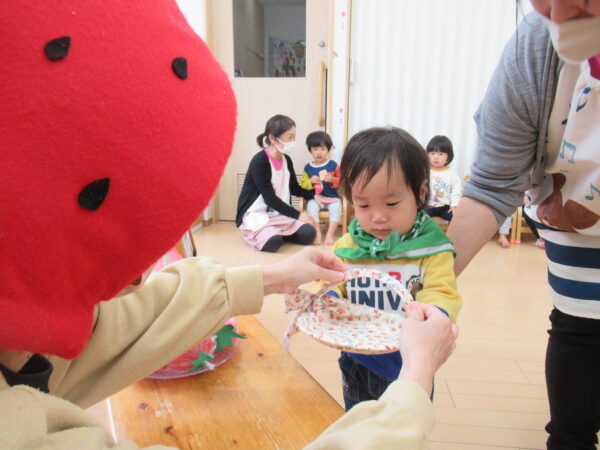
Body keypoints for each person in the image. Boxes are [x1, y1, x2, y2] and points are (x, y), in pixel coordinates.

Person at [1, 2, 459, 448]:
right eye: (132, 254)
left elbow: (112, 329)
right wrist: (414, 386)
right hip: (364, 357)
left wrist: (274, 276)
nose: (140, 279)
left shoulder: (23, 343)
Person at [448, 2, 600, 448]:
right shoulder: (536, 44)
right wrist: (416, 284)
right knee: (581, 324)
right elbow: (492, 185)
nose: (559, 9)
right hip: (573, 216)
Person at [324, 127, 462, 411]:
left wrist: (432, 313)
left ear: (420, 192)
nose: (378, 217)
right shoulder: (349, 244)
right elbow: (332, 279)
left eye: (391, 203)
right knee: (358, 420)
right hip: (357, 358)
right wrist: (328, 296)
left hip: (411, 362)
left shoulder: (432, 248)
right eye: (363, 205)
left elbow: (442, 291)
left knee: (409, 423)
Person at [236, 115, 317, 252]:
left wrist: (314, 194)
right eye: (290, 137)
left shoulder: (287, 160)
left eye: (294, 136)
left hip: (279, 213)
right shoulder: (259, 162)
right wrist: (298, 215)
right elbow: (270, 199)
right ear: (273, 139)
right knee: (273, 242)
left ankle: (276, 232)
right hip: (257, 214)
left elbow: (294, 188)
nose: (293, 141)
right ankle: (266, 233)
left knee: (309, 234)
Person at [301, 131, 342, 245]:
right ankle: (317, 233)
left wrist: (332, 179)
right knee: (311, 208)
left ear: (328, 150)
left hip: (332, 197)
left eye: (323, 149)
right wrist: (310, 181)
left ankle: (330, 235)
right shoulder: (308, 168)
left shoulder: (333, 165)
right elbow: (303, 184)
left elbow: (341, 181)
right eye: (315, 149)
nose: (319, 152)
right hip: (315, 198)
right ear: (310, 150)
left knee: (336, 207)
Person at [424, 135, 462, 222]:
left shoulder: (452, 174)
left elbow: (456, 192)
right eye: (432, 153)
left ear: (448, 157)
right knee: (419, 218)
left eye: (441, 154)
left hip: (445, 207)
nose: (436, 157)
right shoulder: (425, 172)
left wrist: (454, 206)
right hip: (428, 205)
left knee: (458, 219)